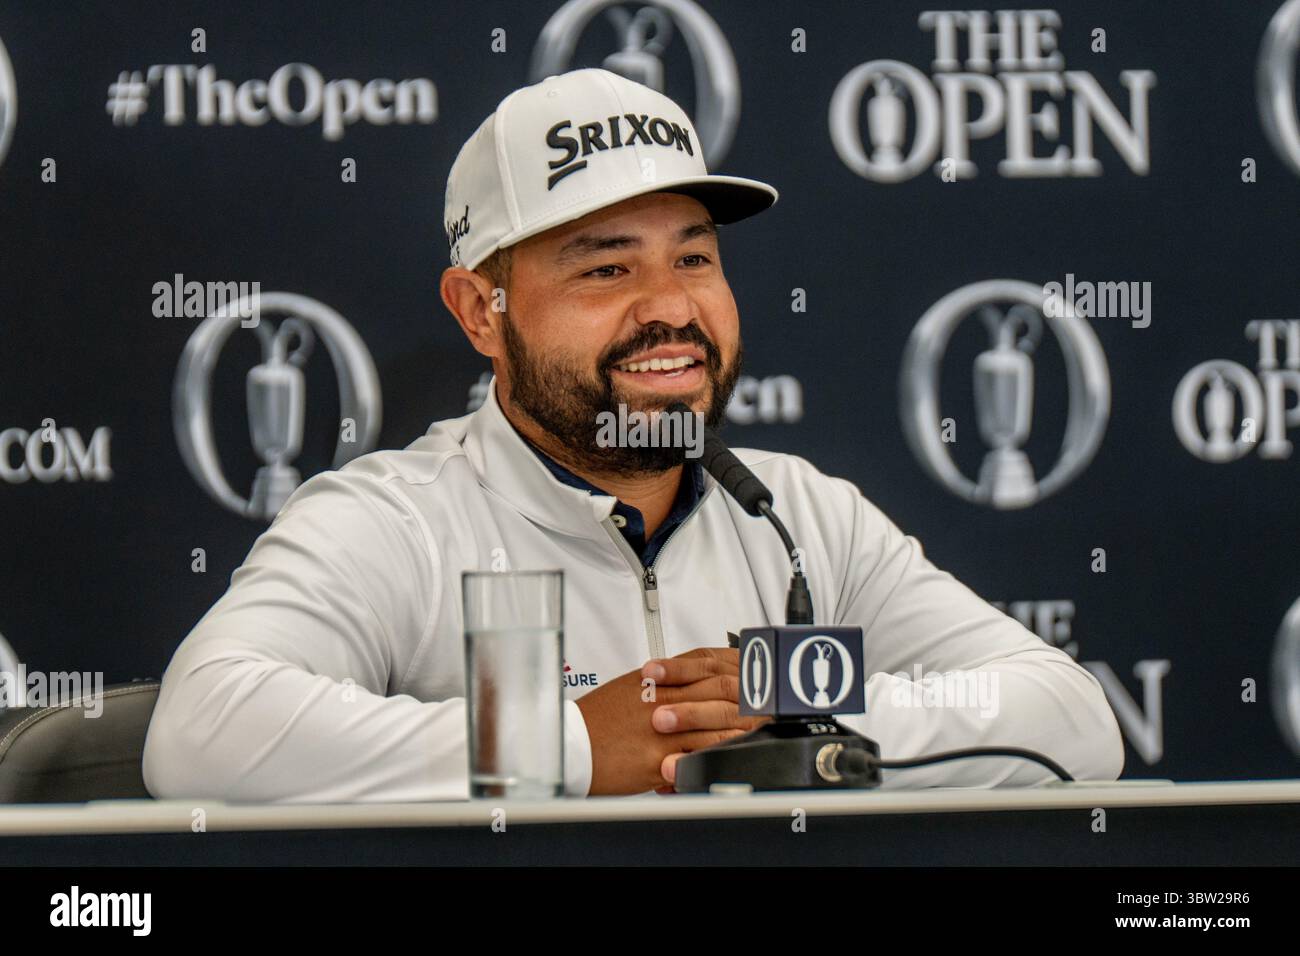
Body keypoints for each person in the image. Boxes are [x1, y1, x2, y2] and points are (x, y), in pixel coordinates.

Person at [143, 68, 1124, 802]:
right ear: (481, 310)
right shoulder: (394, 517)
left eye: (693, 257)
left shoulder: (800, 512)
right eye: (605, 268)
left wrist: (787, 714)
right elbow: (199, 732)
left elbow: (1075, 722)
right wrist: (569, 742)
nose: (670, 308)